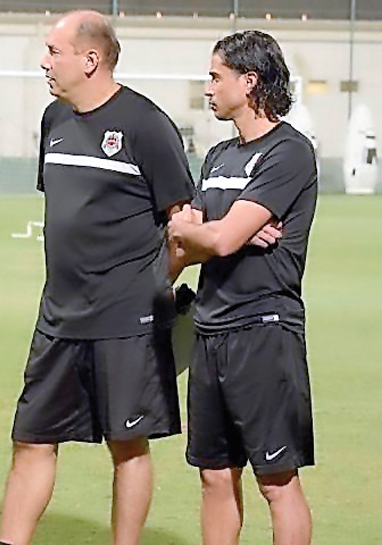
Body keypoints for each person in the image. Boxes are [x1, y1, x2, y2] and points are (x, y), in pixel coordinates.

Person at [0, 10, 195, 545]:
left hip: (127, 319)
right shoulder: (53, 121)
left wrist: (153, 284)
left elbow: (182, 221)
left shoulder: (146, 124)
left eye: (53, 51)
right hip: (59, 315)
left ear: (90, 59)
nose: (44, 61)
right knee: (32, 438)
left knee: (127, 444)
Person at [168, 30, 316, 545]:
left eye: (215, 77)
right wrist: (210, 233)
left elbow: (220, 238)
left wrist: (211, 232)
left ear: (248, 82)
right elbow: (190, 243)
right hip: (209, 330)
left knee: (276, 481)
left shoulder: (290, 153)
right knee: (214, 476)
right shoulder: (218, 157)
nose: (207, 88)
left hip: (264, 331)